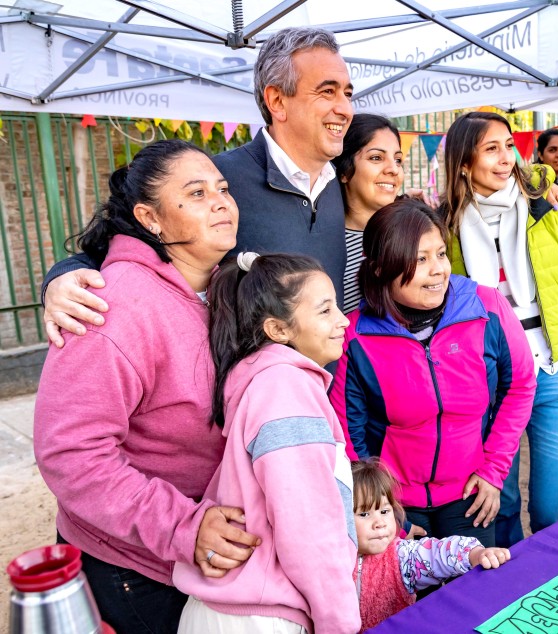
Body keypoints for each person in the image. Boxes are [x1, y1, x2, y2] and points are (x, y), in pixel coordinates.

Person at [33, 140, 261, 634]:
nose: (221, 201)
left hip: (200, 546)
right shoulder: (113, 308)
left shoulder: (221, 285)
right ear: (150, 218)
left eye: (222, 189)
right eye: (197, 193)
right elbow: (72, 454)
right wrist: (184, 525)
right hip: (134, 566)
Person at [41, 26, 354, 345]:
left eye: (347, 93)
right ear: (276, 100)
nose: (344, 108)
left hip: (325, 390)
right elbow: (120, 245)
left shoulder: (339, 181)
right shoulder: (217, 181)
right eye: (327, 92)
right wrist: (60, 278)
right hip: (244, 391)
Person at [330, 200, 536, 548]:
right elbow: (349, 436)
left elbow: (519, 386)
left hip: (471, 495)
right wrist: (380, 509)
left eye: (440, 254)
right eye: (420, 259)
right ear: (381, 267)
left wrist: (494, 471)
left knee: (471, 594)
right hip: (397, 505)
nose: (438, 269)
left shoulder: (486, 308)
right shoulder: (356, 336)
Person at [440, 111, 558, 546]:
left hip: (555, 372)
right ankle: (511, 582)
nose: (505, 158)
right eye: (491, 149)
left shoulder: (544, 209)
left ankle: (551, 574)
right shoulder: (445, 227)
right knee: (501, 498)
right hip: (490, 378)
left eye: (509, 146)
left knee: (552, 507)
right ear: (463, 163)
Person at [174, 253, 358, 633]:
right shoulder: (286, 390)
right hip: (259, 619)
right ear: (278, 329)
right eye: (325, 311)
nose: (342, 320)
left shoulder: (265, 382)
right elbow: (308, 527)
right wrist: (340, 623)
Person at [351, 458, 510, 632]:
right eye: (364, 513)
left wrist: (475, 554)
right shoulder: (326, 562)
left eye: (384, 511)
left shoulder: (401, 556)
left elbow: (438, 553)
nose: (379, 523)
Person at [332, 113, 405, 313]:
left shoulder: (413, 233)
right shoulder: (325, 243)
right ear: (345, 171)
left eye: (398, 160)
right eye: (376, 158)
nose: (393, 169)